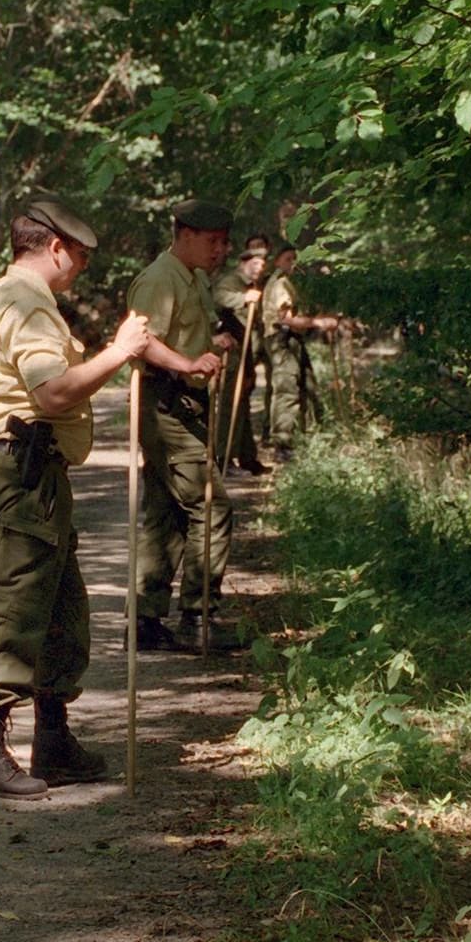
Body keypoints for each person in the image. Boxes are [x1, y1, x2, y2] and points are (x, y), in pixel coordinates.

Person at [0, 197, 155, 800]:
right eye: (78, 256)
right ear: (54, 248)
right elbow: (53, 395)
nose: (80, 267)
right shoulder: (27, 304)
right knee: (13, 601)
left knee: (58, 602)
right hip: (18, 467)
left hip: (16, 464)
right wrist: (119, 351)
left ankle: (53, 739)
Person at [126, 199, 241, 653]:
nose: (220, 250)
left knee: (167, 512)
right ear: (185, 234)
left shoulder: (192, 278)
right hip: (163, 403)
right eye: (213, 241)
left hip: (184, 404)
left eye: (224, 242)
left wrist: (211, 343)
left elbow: (182, 333)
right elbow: (143, 342)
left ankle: (146, 619)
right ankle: (199, 616)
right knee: (211, 504)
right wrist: (188, 362)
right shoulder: (159, 278)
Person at [260, 242, 339, 462]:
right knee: (287, 387)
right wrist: (318, 322)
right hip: (281, 339)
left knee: (307, 384)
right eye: (287, 259)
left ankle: (305, 435)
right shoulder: (280, 283)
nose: (292, 263)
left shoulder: (291, 283)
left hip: (293, 339)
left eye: (295, 259)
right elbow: (285, 318)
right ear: (277, 262)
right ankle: (283, 444)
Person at [210, 245, 269, 475]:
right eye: (255, 264)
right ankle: (223, 456)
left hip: (246, 351)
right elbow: (219, 299)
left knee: (242, 400)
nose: (260, 268)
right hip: (229, 350)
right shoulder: (231, 282)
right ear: (244, 263)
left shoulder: (253, 286)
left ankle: (246, 456)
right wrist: (243, 298)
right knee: (228, 402)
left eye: (263, 265)